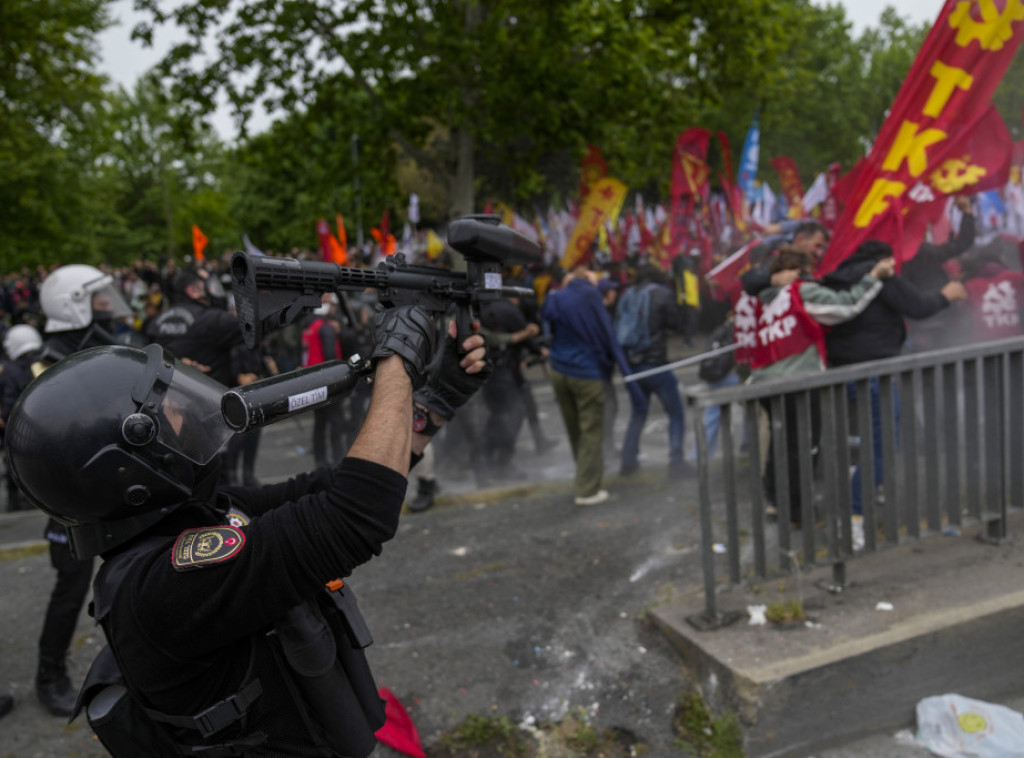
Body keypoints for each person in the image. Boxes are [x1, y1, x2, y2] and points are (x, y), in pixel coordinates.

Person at [6, 305, 489, 756]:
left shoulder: (193, 517)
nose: (183, 409)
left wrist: (431, 404)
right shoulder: (162, 587)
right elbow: (357, 513)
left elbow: (335, 488)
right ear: (129, 470)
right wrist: (397, 364)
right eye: (166, 412)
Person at [31, 264, 134, 717]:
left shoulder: (101, 346)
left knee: (133, 580)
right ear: (73, 302)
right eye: (99, 297)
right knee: (71, 590)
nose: (109, 303)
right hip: (69, 498)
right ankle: (49, 675)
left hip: (114, 486)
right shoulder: (45, 358)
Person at [821, 239, 966, 548]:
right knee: (883, 445)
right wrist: (947, 295)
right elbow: (917, 307)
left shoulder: (836, 276)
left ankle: (856, 494)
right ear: (884, 259)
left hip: (840, 371)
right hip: (874, 371)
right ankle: (852, 517)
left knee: (857, 443)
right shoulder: (881, 275)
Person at [749, 248, 895, 527]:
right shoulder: (802, 291)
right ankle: (799, 513)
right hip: (797, 380)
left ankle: (776, 501)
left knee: (783, 445)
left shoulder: (770, 298)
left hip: (766, 381)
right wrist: (874, 277)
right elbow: (845, 306)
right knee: (803, 448)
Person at [541, 267, 639, 506]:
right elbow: (607, 335)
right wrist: (618, 368)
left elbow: (547, 317)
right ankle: (587, 490)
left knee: (575, 428)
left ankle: (584, 476)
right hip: (585, 371)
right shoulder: (589, 295)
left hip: (559, 369)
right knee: (591, 431)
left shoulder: (557, 296)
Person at [616, 264, 690, 479]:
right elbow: (676, 324)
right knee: (675, 412)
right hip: (655, 362)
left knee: (638, 412)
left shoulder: (627, 295)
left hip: (633, 364)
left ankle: (628, 461)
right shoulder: (662, 295)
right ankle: (676, 461)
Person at [901, 195, 976, 351]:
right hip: (937, 316)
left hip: (920, 320)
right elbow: (963, 242)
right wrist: (967, 213)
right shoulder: (924, 252)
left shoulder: (895, 259)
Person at [301, 295, 348, 468]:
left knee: (319, 424)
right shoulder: (325, 328)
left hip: (313, 381)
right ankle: (338, 459)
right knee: (335, 422)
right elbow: (330, 357)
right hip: (328, 382)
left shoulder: (309, 326)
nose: (334, 309)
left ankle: (320, 461)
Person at [0, 324, 43, 511]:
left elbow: (9, 398)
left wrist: (5, 418)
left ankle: (15, 500)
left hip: (18, 425)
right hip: (43, 424)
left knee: (14, 462)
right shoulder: (45, 360)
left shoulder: (10, 369)